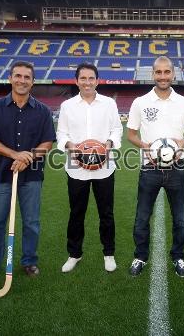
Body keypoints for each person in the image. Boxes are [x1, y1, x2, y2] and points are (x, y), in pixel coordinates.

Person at [0, 61, 56, 284]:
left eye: (27, 77)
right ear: (10, 78)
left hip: (31, 177)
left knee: (31, 222)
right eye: (18, 76)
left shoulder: (42, 111)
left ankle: (29, 261)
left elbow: (47, 142)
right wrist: (14, 154)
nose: (22, 80)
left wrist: (27, 157)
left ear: (33, 81)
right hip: (1, 176)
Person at [126, 56, 184, 277]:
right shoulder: (140, 102)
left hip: (176, 168)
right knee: (142, 217)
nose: (163, 76)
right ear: (153, 74)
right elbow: (130, 134)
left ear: (173, 75)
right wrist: (145, 146)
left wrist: (183, 142)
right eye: (159, 72)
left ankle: (178, 257)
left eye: (167, 72)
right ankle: (140, 255)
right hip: (150, 168)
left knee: (180, 218)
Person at [56, 62, 122, 273]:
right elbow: (61, 134)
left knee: (106, 213)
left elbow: (117, 129)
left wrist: (109, 144)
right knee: (76, 213)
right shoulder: (67, 105)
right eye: (82, 78)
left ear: (97, 80)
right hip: (77, 169)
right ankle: (74, 254)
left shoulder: (109, 103)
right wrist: (71, 146)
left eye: (91, 78)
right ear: (76, 81)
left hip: (104, 168)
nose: (87, 82)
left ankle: (109, 253)